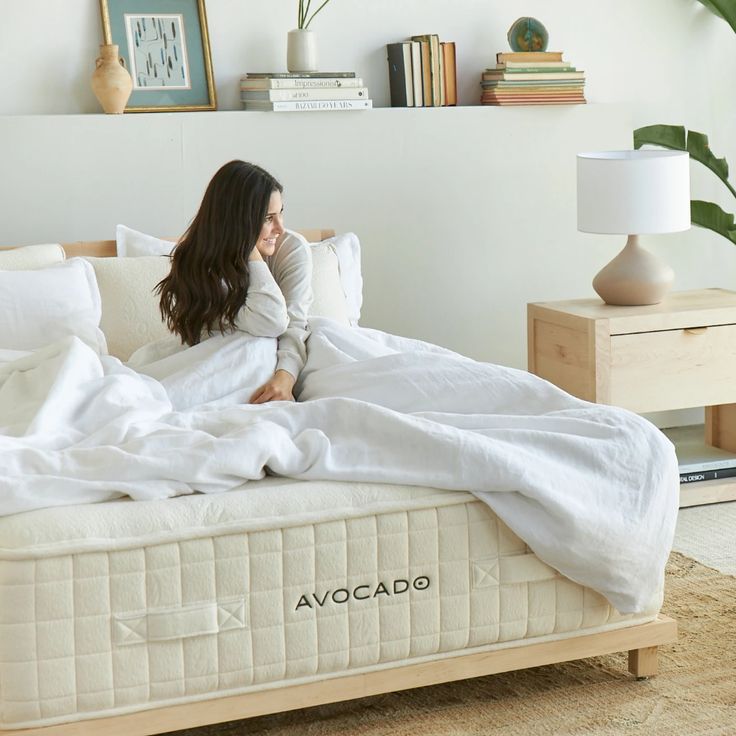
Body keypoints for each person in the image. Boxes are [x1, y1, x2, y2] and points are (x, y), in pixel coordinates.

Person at [157, 160, 313, 403]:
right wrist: (251, 252)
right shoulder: (199, 263)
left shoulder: (292, 250)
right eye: (267, 218)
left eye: (280, 212)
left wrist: (285, 378)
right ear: (239, 222)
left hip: (288, 362)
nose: (280, 228)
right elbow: (268, 321)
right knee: (254, 345)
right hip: (228, 365)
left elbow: (292, 324)